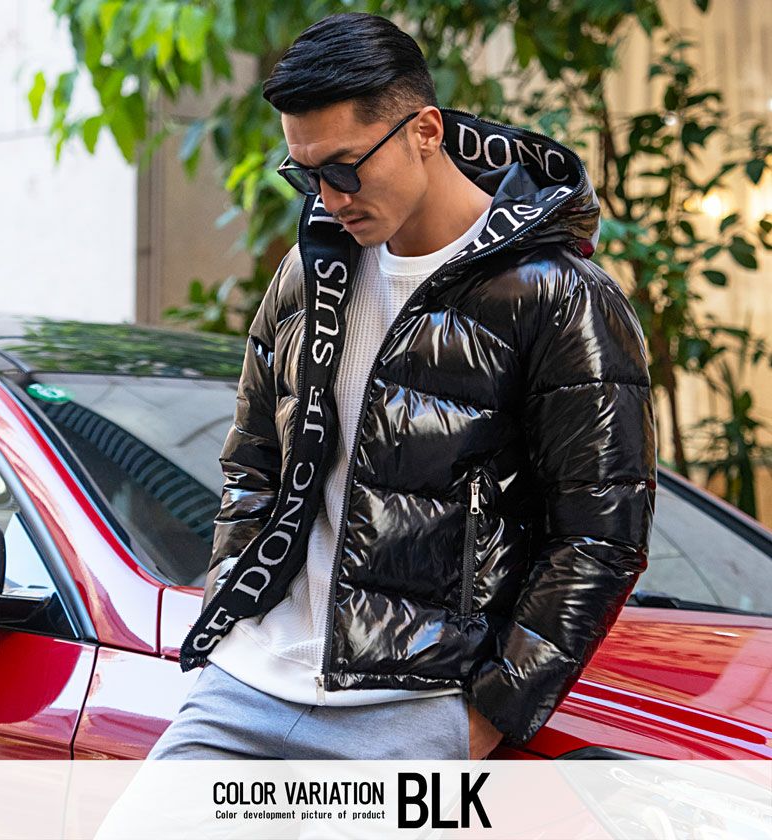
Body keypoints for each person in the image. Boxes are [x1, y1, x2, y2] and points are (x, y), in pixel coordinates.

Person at [168, 11, 657, 762]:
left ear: (425, 131)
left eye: (345, 167)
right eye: (306, 174)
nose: (329, 197)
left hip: (413, 709)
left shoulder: (559, 297)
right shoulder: (308, 273)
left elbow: (600, 533)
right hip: (248, 684)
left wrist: (487, 716)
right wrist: (231, 612)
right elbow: (253, 464)